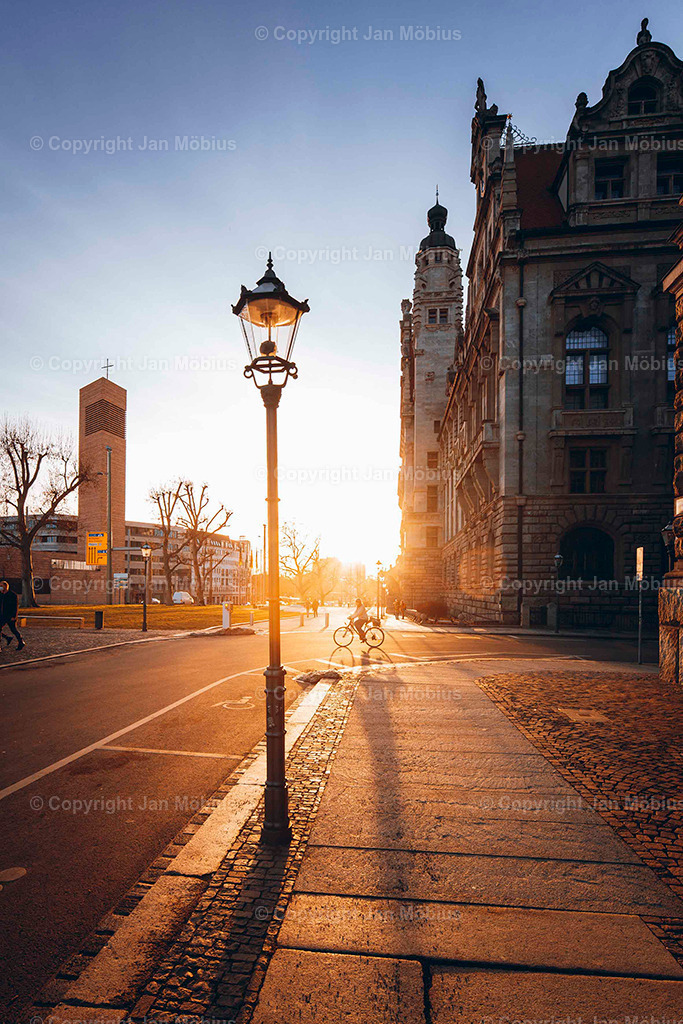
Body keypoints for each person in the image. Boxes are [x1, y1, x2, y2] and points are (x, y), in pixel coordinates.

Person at [0, 582, 25, 651]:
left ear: (6, 587)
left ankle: (20, 641)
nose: (0, 587)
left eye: (1, 586)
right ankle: (5, 640)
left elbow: (15, 607)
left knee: (13, 629)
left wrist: (14, 616)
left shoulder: (12, 595)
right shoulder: (1, 595)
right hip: (2, 616)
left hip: (10, 615)